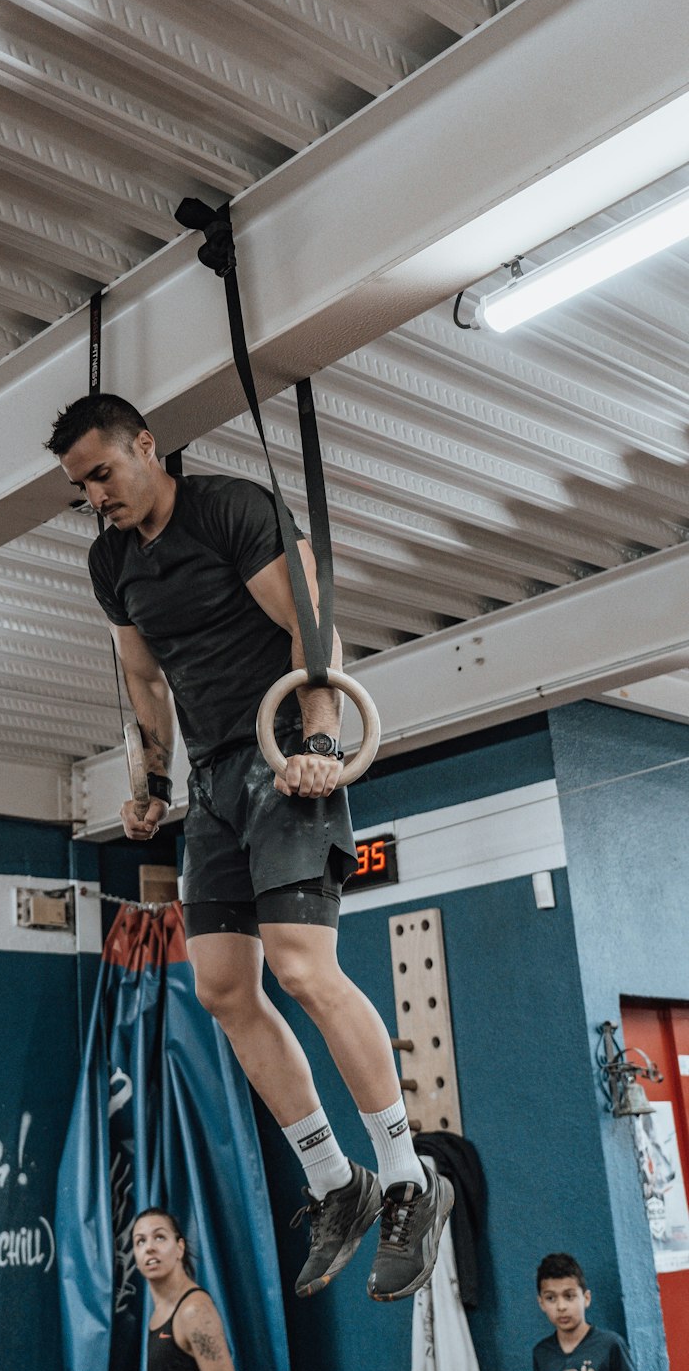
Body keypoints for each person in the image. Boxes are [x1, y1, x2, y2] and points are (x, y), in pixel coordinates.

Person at [47, 393, 452, 1302]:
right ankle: (333, 1182)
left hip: (280, 758)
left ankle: (405, 1177)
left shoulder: (232, 508)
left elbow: (316, 635)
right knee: (225, 989)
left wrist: (316, 743)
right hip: (214, 783)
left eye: (102, 474)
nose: (95, 496)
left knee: (304, 970)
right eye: (80, 487)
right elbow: (143, 678)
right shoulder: (111, 560)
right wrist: (148, 784)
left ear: (146, 448)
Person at [90, 1207, 253, 1371]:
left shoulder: (194, 1311)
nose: (150, 1247)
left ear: (180, 1247)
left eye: (159, 1237)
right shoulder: (160, 1314)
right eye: (140, 1241)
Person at [533, 1253, 661, 1371]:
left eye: (569, 1296)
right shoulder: (542, 1354)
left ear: (586, 1298)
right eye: (551, 1298)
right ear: (541, 1303)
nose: (561, 1306)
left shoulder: (610, 1345)